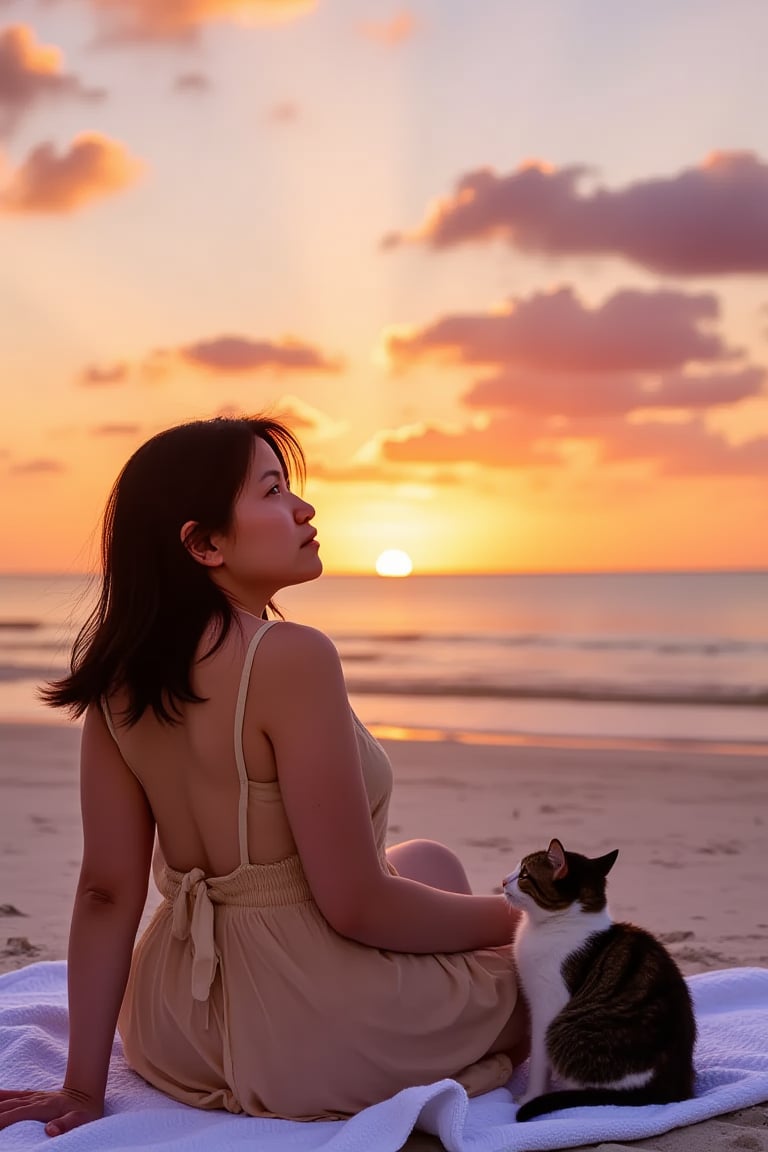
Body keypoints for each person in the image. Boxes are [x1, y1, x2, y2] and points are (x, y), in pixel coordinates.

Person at [0, 415, 529, 1138]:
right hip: (310, 1032)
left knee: (430, 859)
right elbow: (356, 907)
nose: (304, 510)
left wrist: (82, 1088)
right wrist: (526, 920)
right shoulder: (290, 655)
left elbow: (106, 892)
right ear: (204, 543)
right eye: (274, 491)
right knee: (566, 970)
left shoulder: (122, 679)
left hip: (174, 1027)